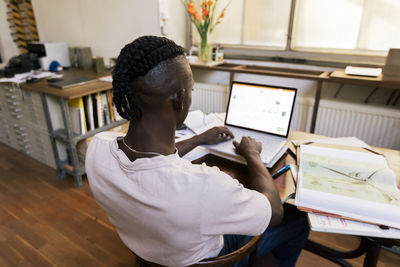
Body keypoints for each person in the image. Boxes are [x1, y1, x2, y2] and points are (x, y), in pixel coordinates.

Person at [85, 36, 309, 267]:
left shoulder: (97, 148)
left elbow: (152, 162)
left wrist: (198, 139)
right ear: (180, 98)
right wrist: (252, 154)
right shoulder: (202, 184)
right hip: (205, 258)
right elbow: (273, 212)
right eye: (190, 89)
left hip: (148, 249)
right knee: (298, 220)